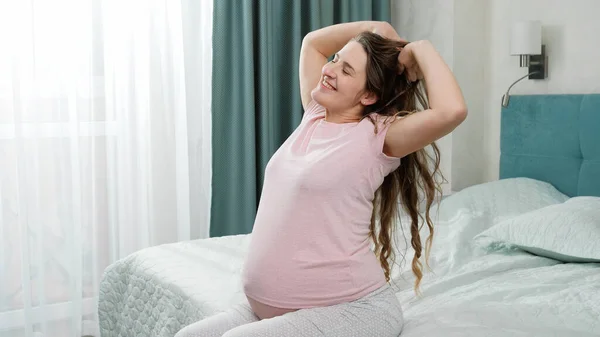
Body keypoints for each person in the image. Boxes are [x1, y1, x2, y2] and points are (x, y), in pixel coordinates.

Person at [176, 20, 466, 337]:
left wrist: (418, 50)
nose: (330, 70)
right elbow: (313, 43)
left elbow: (451, 111)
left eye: (346, 71)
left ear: (368, 95)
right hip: (267, 309)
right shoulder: (314, 115)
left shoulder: (377, 137)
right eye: (335, 60)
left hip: (353, 310)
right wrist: (378, 27)